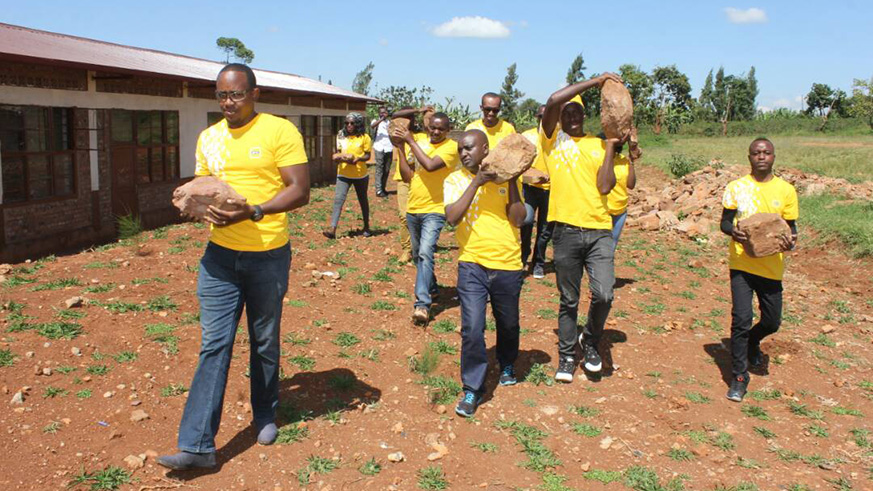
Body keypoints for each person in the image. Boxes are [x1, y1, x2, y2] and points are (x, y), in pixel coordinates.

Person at [157, 63, 310, 470]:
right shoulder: (209, 138)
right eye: (222, 95)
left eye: (236, 94)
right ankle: (197, 445)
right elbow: (205, 189)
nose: (228, 102)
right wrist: (192, 201)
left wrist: (254, 211)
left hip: (268, 255)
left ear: (254, 93)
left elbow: (300, 190)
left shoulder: (279, 131)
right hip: (219, 258)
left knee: (263, 341)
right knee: (215, 344)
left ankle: (264, 414)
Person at [539, 73, 624, 383]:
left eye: (578, 112)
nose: (572, 117)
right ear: (560, 117)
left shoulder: (600, 144)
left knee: (604, 295)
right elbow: (552, 100)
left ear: (585, 116)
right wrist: (597, 81)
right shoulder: (552, 141)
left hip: (599, 230)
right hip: (565, 232)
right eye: (567, 112)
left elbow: (604, 187)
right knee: (569, 300)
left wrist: (612, 149)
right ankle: (566, 355)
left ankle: (589, 339)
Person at [444, 129, 526, 417]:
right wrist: (476, 183)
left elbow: (518, 219)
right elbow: (452, 218)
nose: (463, 153)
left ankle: (506, 362)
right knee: (472, 328)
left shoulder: (506, 180)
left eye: (468, 148)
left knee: (508, 324)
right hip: (472, 265)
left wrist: (513, 179)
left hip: (507, 264)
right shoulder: (454, 180)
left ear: (485, 148)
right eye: (460, 150)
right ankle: (473, 387)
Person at [720, 137, 798, 402]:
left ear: (774, 156)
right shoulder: (736, 187)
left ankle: (754, 340)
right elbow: (724, 222)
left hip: (771, 266)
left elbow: (791, 228)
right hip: (741, 263)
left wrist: (791, 242)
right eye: (756, 153)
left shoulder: (786, 190)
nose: (761, 157)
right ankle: (740, 376)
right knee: (741, 319)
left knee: (772, 321)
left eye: (766, 153)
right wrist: (734, 231)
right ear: (749, 157)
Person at [395, 112, 460, 325]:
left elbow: (430, 165)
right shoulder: (420, 141)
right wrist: (400, 149)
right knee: (417, 254)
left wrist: (410, 141)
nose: (436, 132)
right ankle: (431, 287)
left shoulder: (451, 147)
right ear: (428, 127)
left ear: (448, 130)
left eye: (441, 128)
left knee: (425, 252)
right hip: (414, 206)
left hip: (436, 209)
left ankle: (422, 304)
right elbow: (408, 175)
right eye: (433, 127)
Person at [390, 107, 430, 262]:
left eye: (409, 118)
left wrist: (424, 113)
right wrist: (419, 109)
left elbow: (430, 121)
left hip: (419, 180)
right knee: (403, 216)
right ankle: (407, 249)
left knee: (420, 215)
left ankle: (419, 246)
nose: (404, 121)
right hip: (403, 179)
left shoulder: (421, 136)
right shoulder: (396, 136)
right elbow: (393, 114)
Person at [323, 112, 372, 239]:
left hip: (360, 175)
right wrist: (338, 158)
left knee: (363, 200)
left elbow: (368, 155)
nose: (349, 125)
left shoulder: (364, 137)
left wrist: (359, 159)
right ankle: (332, 229)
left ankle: (366, 227)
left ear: (358, 124)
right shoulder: (341, 136)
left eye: (352, 123)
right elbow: (339, 152)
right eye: (347, 123)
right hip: (343, 173)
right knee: (338, 200)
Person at [520, 105, 553, 278]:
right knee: (526, 222)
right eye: (541, 117)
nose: (545, 120)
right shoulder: (527, 136)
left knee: (545, 229)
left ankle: (538, 262)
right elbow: (519, 164)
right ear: (537, 117)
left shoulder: (559, 138)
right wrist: (534, 175)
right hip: (530, 188)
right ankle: (523, 257)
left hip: (551, 191)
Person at [602, 135, 636, 252]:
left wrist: (632, 160)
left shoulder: (623, 160)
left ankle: (606, 268)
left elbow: (631, 184)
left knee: (612, 245)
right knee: (601, 245)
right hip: (604, 209)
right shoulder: (601, 160)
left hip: (620, 209)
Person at [371, 106, 393, 198]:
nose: (383, 114)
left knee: (387, 169)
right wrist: (381, 119)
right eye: (381, 112)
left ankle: (383, 188)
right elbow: (372, 126)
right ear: (379, 113)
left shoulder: (389, 123)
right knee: (379, 168)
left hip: (389, 147)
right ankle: (378, 190)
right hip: (379, 147)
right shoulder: (375, 121)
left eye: (385, 112)